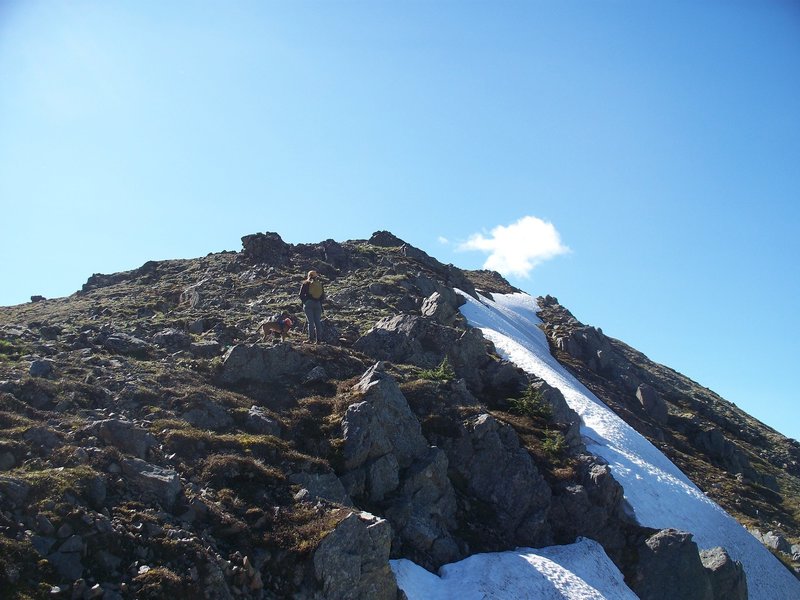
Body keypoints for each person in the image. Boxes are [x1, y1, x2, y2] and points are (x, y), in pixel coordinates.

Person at [299, 270, 325, 344]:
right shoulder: (320, 284)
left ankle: (310, 339)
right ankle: (318, 340)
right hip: (318, 304)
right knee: (317, 322)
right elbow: (322, 297)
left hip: (308, 304)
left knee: (310, 322)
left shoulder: (305, 283)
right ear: (316, 276)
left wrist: (305, 301)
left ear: (308, 276)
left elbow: (301, 295)